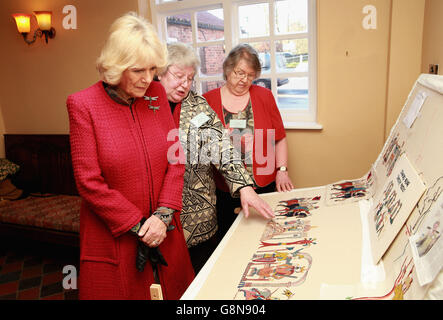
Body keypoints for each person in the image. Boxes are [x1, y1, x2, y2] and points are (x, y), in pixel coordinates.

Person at [66, 13, 194, 300]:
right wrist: (140, 225)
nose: (147, 79)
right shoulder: (83, 105)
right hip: (116, 239)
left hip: (165, 230)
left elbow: (176, 158)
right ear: (116, 65)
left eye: (153, 69)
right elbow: (88, 181)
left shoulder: (157, 93)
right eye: (138, 70)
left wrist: (162, 216)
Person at [158, 42, 274, 273]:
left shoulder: (197, 106)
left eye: (190, 78)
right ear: (160, 72)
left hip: (196, 218)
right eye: (179, 76)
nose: (185, 84)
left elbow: (221, 145)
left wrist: (244, 186)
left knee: (200, 277)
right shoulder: (143, 104)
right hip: (156, 218)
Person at [204, 44, 294, 239]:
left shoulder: (264, 96)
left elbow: (280, 137)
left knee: (266, 238)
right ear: (228, 69)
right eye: (240, 73)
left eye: (251, 75)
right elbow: (200, 148)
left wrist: (282, 171)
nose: (244, 80)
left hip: (264, 184)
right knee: (231, 242)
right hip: (226, 191)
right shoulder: (207, 101)